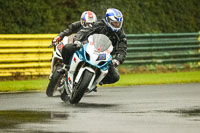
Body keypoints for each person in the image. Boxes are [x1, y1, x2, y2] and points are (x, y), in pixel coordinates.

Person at [61, 8, 127, 85]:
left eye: (118, 23)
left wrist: (117, 60)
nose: (117, 25)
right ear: (108, 20)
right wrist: (77, 40)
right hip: (89, 47)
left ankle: (95, 81)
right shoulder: (99, 24)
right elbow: (85, 31)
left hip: (104, 56)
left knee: (115, 77)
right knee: (67, 47)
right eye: (114, 23)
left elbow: (122, 49)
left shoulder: (121, 35)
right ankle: (66, 66)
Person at [49, 11, 97, 79]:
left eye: (91, 24)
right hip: (74, 45)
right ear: (82, 21)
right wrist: (57, 38)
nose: (89, 26)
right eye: (87, 24)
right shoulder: (76, 25)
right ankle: (63, 67)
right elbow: (66, 31)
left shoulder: (97, 29)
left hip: (87, 48)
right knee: (60, 49)